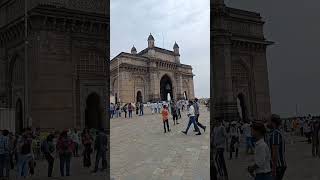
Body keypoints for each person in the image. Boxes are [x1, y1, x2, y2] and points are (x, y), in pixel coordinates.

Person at [267, 114, 287, 180]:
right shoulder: (277, 132)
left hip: (278, 165)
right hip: (279, 165)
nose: (267, 122)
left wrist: (274, 169)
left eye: (269, 121)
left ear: (273, 122)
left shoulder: (275, 134)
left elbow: (275, 153)